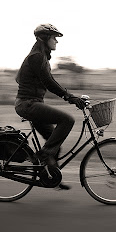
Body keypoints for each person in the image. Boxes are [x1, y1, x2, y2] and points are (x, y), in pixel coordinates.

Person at [14, 24, 85, 190]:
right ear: (45, 39)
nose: (56, 42)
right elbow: (49, 82)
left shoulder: (40, 57)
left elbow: (23, 79)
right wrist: (70, 97)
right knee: (67, 120)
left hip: (32, 103)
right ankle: (43, 156)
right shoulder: (37, 57)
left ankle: (52, 179)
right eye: (54, 38)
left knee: (55, 142)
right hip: (28, 104)